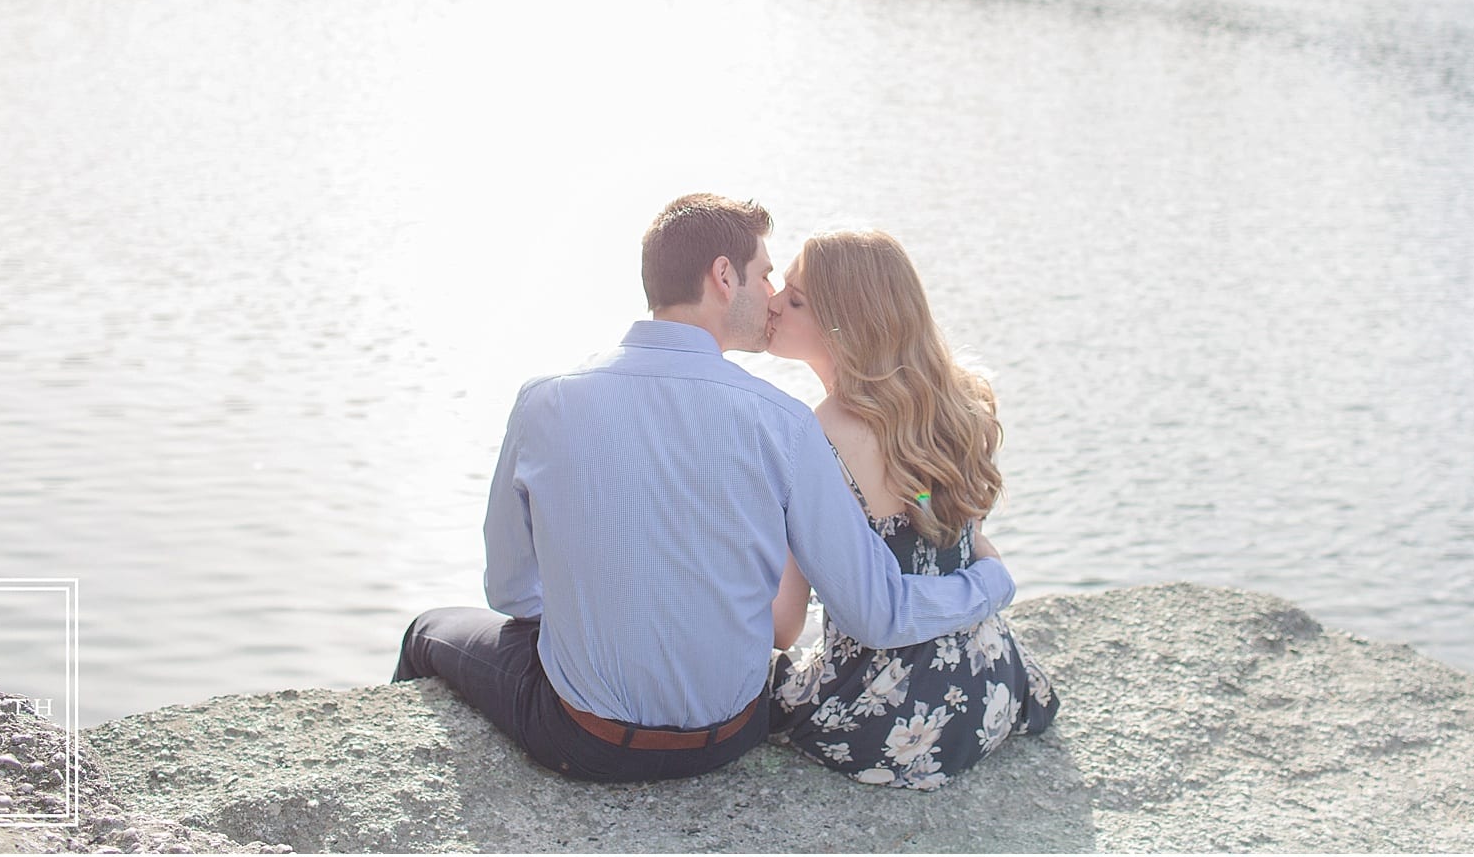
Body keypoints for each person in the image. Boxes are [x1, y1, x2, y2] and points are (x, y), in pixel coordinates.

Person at [391, 194, 1017, 784]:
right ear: (725, 276)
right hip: (731, 736)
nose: (771, 297)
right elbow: (895, 546)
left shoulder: (545, 400)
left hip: (582, 739)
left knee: (427, 631)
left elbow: (510, 593)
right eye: (768, 275)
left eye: (788, 293)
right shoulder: (790, 422)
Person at [765, 228, 1058, 789]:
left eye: (795, 300)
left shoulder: (820, 436)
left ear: (846, 326)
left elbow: (785, 623)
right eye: (780, 287)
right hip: (987, 688)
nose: (774, 303)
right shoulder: (952, 407)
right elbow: (943, 526)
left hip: (890, 719)